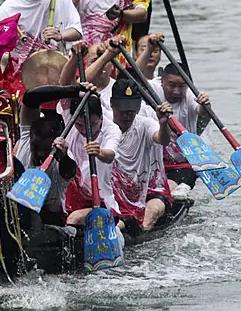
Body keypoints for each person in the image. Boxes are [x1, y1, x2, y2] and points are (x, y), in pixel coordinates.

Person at [136, 34, 212, 200]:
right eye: (171, 85)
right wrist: (149, 47)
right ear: (162, 81)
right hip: (155, 160)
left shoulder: (190, 94)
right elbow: (135, 75)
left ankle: (177, 191)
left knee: (170, 190)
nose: (177, 91)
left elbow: (202, 111)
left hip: (183, 162)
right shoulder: (153, 88)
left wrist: (206, 105)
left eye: (181, 86)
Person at [15, 83, 96, 226]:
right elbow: (30, 97)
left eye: (46, 150)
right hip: (19, 213)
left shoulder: (62, 156)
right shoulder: (27, 136)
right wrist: (72, 90)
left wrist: (63, 157)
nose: (39, 153)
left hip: (50, 220)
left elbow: (69, 171)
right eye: (35, 147)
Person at [108, 78, 173, 232]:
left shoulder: (146, 124)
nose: (127, 116)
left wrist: (164, 123)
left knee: (147, 219)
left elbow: (162, 139)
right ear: (111, 104)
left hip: (149, 191)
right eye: (122, 110)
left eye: (132, 110)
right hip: (114, 195)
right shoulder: (104, 125)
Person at [61, 94, 122, 225]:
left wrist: (98, 152)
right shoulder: (70, 118)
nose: (84, 130)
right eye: (79, 125)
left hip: (103, 200)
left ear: (101, 118)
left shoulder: (112, 130)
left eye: (92, 124)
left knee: (74, 219)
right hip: (76, 193)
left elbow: (110, 155)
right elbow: (64, 84)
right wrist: (77, 89)